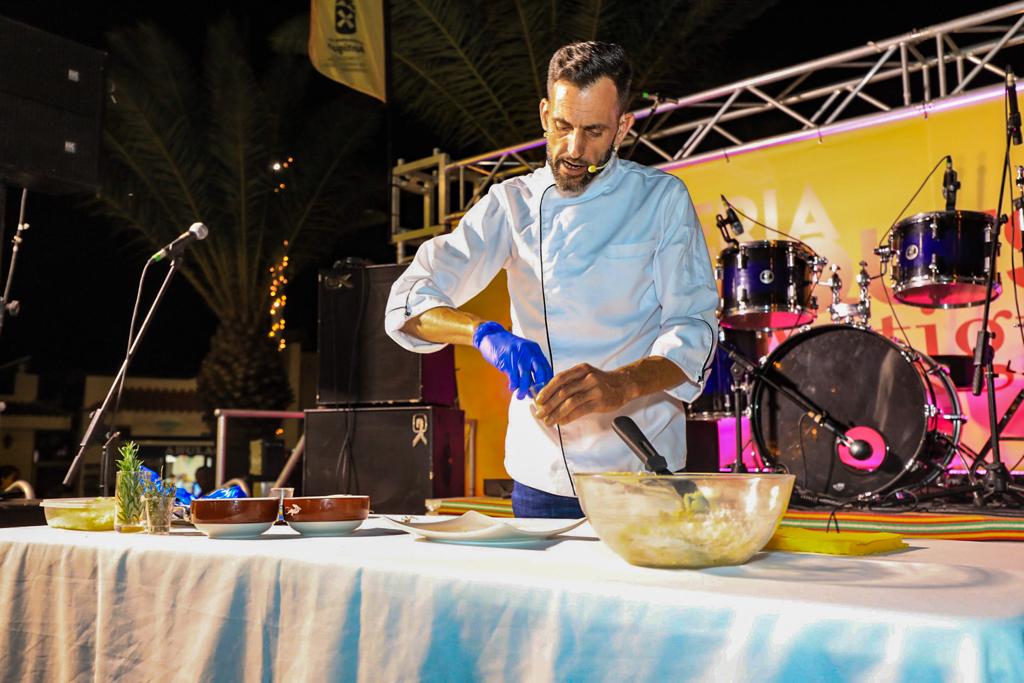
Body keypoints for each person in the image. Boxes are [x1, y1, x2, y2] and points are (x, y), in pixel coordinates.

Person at [385, 41, 718, 518]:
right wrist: (482, 333)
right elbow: (408, 300)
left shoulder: (661, 200)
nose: (574, 149)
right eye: (562, 127)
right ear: (545, 114)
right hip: (543, 477)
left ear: (623, 126)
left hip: (642, 469)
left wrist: (621, 384)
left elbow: (695, 329)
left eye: (594, 131)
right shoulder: (510, 204)